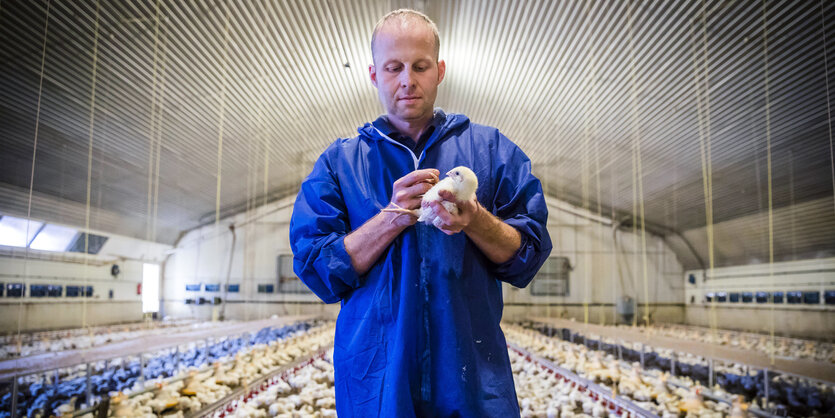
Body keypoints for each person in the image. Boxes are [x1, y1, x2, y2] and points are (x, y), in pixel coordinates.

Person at [289, 9, 552, 417]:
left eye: (420, 66)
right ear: (374, 74)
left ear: (440, 70)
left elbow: (528, 254)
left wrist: (476, 219)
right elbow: (317, 267)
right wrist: (392, 216)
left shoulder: (490, 151)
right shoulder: (340, 163)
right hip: (376, 377)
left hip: (471, 378)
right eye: (393, 68)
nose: (407, 80)